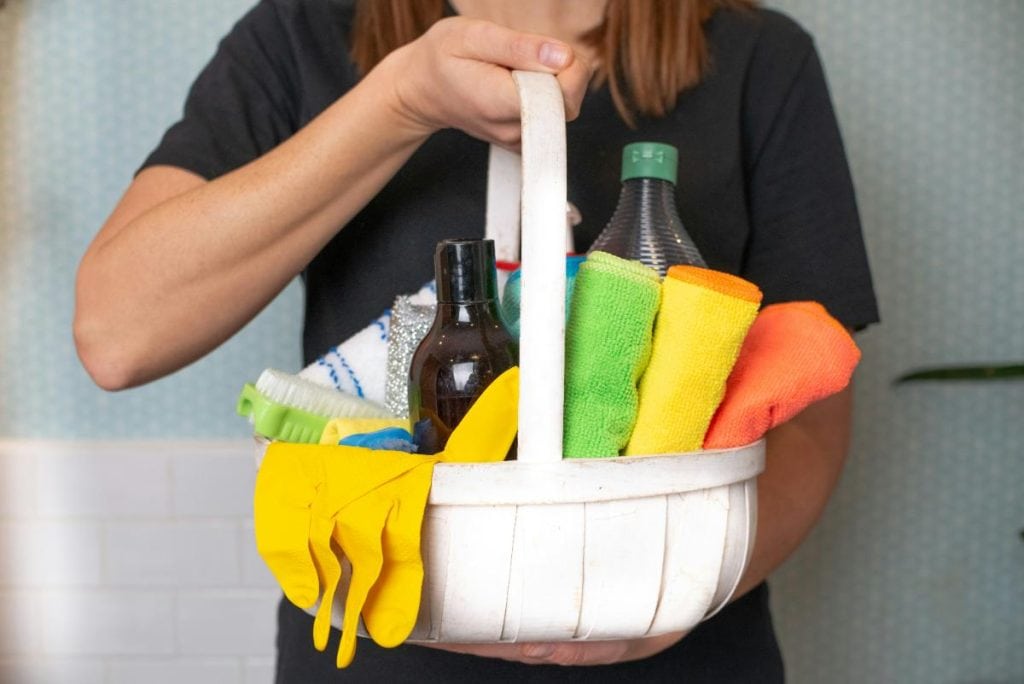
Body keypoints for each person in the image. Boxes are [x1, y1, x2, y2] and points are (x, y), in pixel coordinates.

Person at [73, 0, 879, 680]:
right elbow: (118, 335)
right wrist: (398, 106)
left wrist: (674, 592)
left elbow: (810, 404)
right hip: (376, 643)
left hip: (687, 654)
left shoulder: (757, 59)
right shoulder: (305, 33)